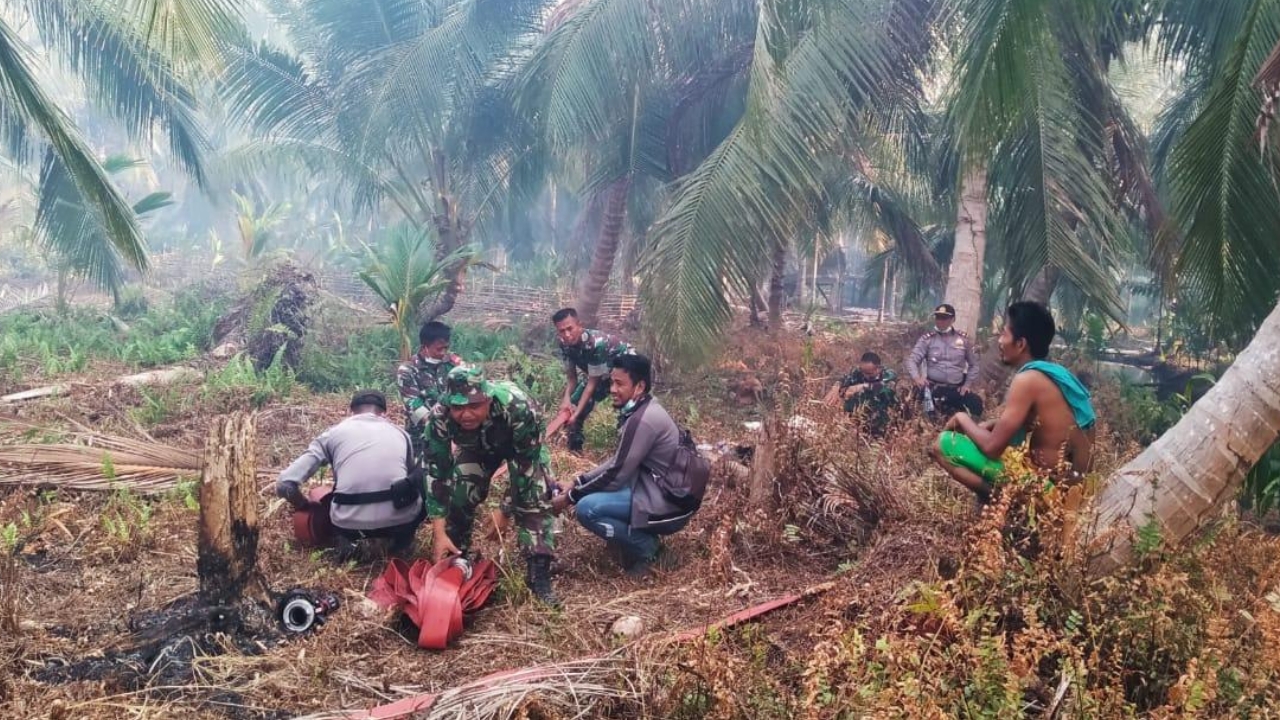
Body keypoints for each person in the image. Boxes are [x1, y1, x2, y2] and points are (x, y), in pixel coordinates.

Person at [928, 301, 1096, 502]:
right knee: (986, 430)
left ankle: (1002, 502)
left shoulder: (1027, 380)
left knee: (943, 443)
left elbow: (992, 448)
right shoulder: (1056, 374)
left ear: (1020, 343)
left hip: (1049, 492)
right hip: (1077, 492)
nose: (999, 341)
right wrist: (989, 425)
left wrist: (961, 418)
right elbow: (1032, 428)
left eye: (1004, 334)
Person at [423, 366, 559, 605]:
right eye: (458, 407)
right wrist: (439, 532)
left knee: (533, 496)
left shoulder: (518, 407)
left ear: (488, 398)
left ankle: (539, 570)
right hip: (478, 450)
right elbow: (437, 472)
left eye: (474, 406)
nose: (465, 415)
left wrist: (505, 510)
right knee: (459, 491)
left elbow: (525, 465)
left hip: (522, 449)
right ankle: (457, 554)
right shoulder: (440, 416)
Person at [551, 353, 691, 577]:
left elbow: (616, 474)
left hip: (668, 504)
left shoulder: (642, 420)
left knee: (587, 509)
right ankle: (629, 543)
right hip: (656, 491)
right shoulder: (644, 409)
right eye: (611, 382)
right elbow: (617, 461)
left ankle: (649, 549)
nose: (612, 389)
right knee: (591, 496)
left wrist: (570, 497)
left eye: (619, 383)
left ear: (639, 386)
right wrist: (578, 481)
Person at [278, 390, 424, 559]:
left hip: (348, 526)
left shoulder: (331, 434)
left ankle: (348, 546)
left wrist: (304, 505)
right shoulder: (401, 434)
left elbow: (285, 485)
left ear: (351, 411)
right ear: (385, 412)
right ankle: (402, 546)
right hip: (399, 522)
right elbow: (411, 480)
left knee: (325, 495)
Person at [551, 307, 635, 453]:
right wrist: (567, 400)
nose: (567, 334)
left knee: (629, 410)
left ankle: (625, 452)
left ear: (579, 325)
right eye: (562, 331)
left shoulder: (596, 344)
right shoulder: (564, 345)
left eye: (570, 328)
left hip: (625, 369)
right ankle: (574, 450)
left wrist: (576, 413)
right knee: (574, 405)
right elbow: (572, 379)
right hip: (600, 372)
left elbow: (591, 384)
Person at [397, 321, 464, 460]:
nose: (443, 353)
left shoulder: (451, 364)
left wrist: (462, 369)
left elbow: (465, 393)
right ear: (425, 347)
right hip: (422, 435)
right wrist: (440, 431)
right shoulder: (408, 370)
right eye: (439, 349)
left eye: (446, 348)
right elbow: (414, 406)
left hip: (455, 432)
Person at [908, 303, 984, 419]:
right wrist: (917, 378)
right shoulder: (927, 339)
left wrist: (967, 384)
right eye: (938, 318)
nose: (940, 321)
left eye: (944, 318)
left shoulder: (963, 339)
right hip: (933, 387)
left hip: (956, 389)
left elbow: (974, 365)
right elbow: (912, 360)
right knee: (917, 406)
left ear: (952, 319)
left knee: (976, 403)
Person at [837, 352, 899, 435]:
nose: (865, 375)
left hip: (885, 418)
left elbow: (885, 387)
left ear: (878, 368)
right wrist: (836, 386)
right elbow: (845, 378)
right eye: (863, 372)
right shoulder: (860, 371)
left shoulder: (889, 374)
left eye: (869, 373)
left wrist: (862, 386)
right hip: (863, 418)